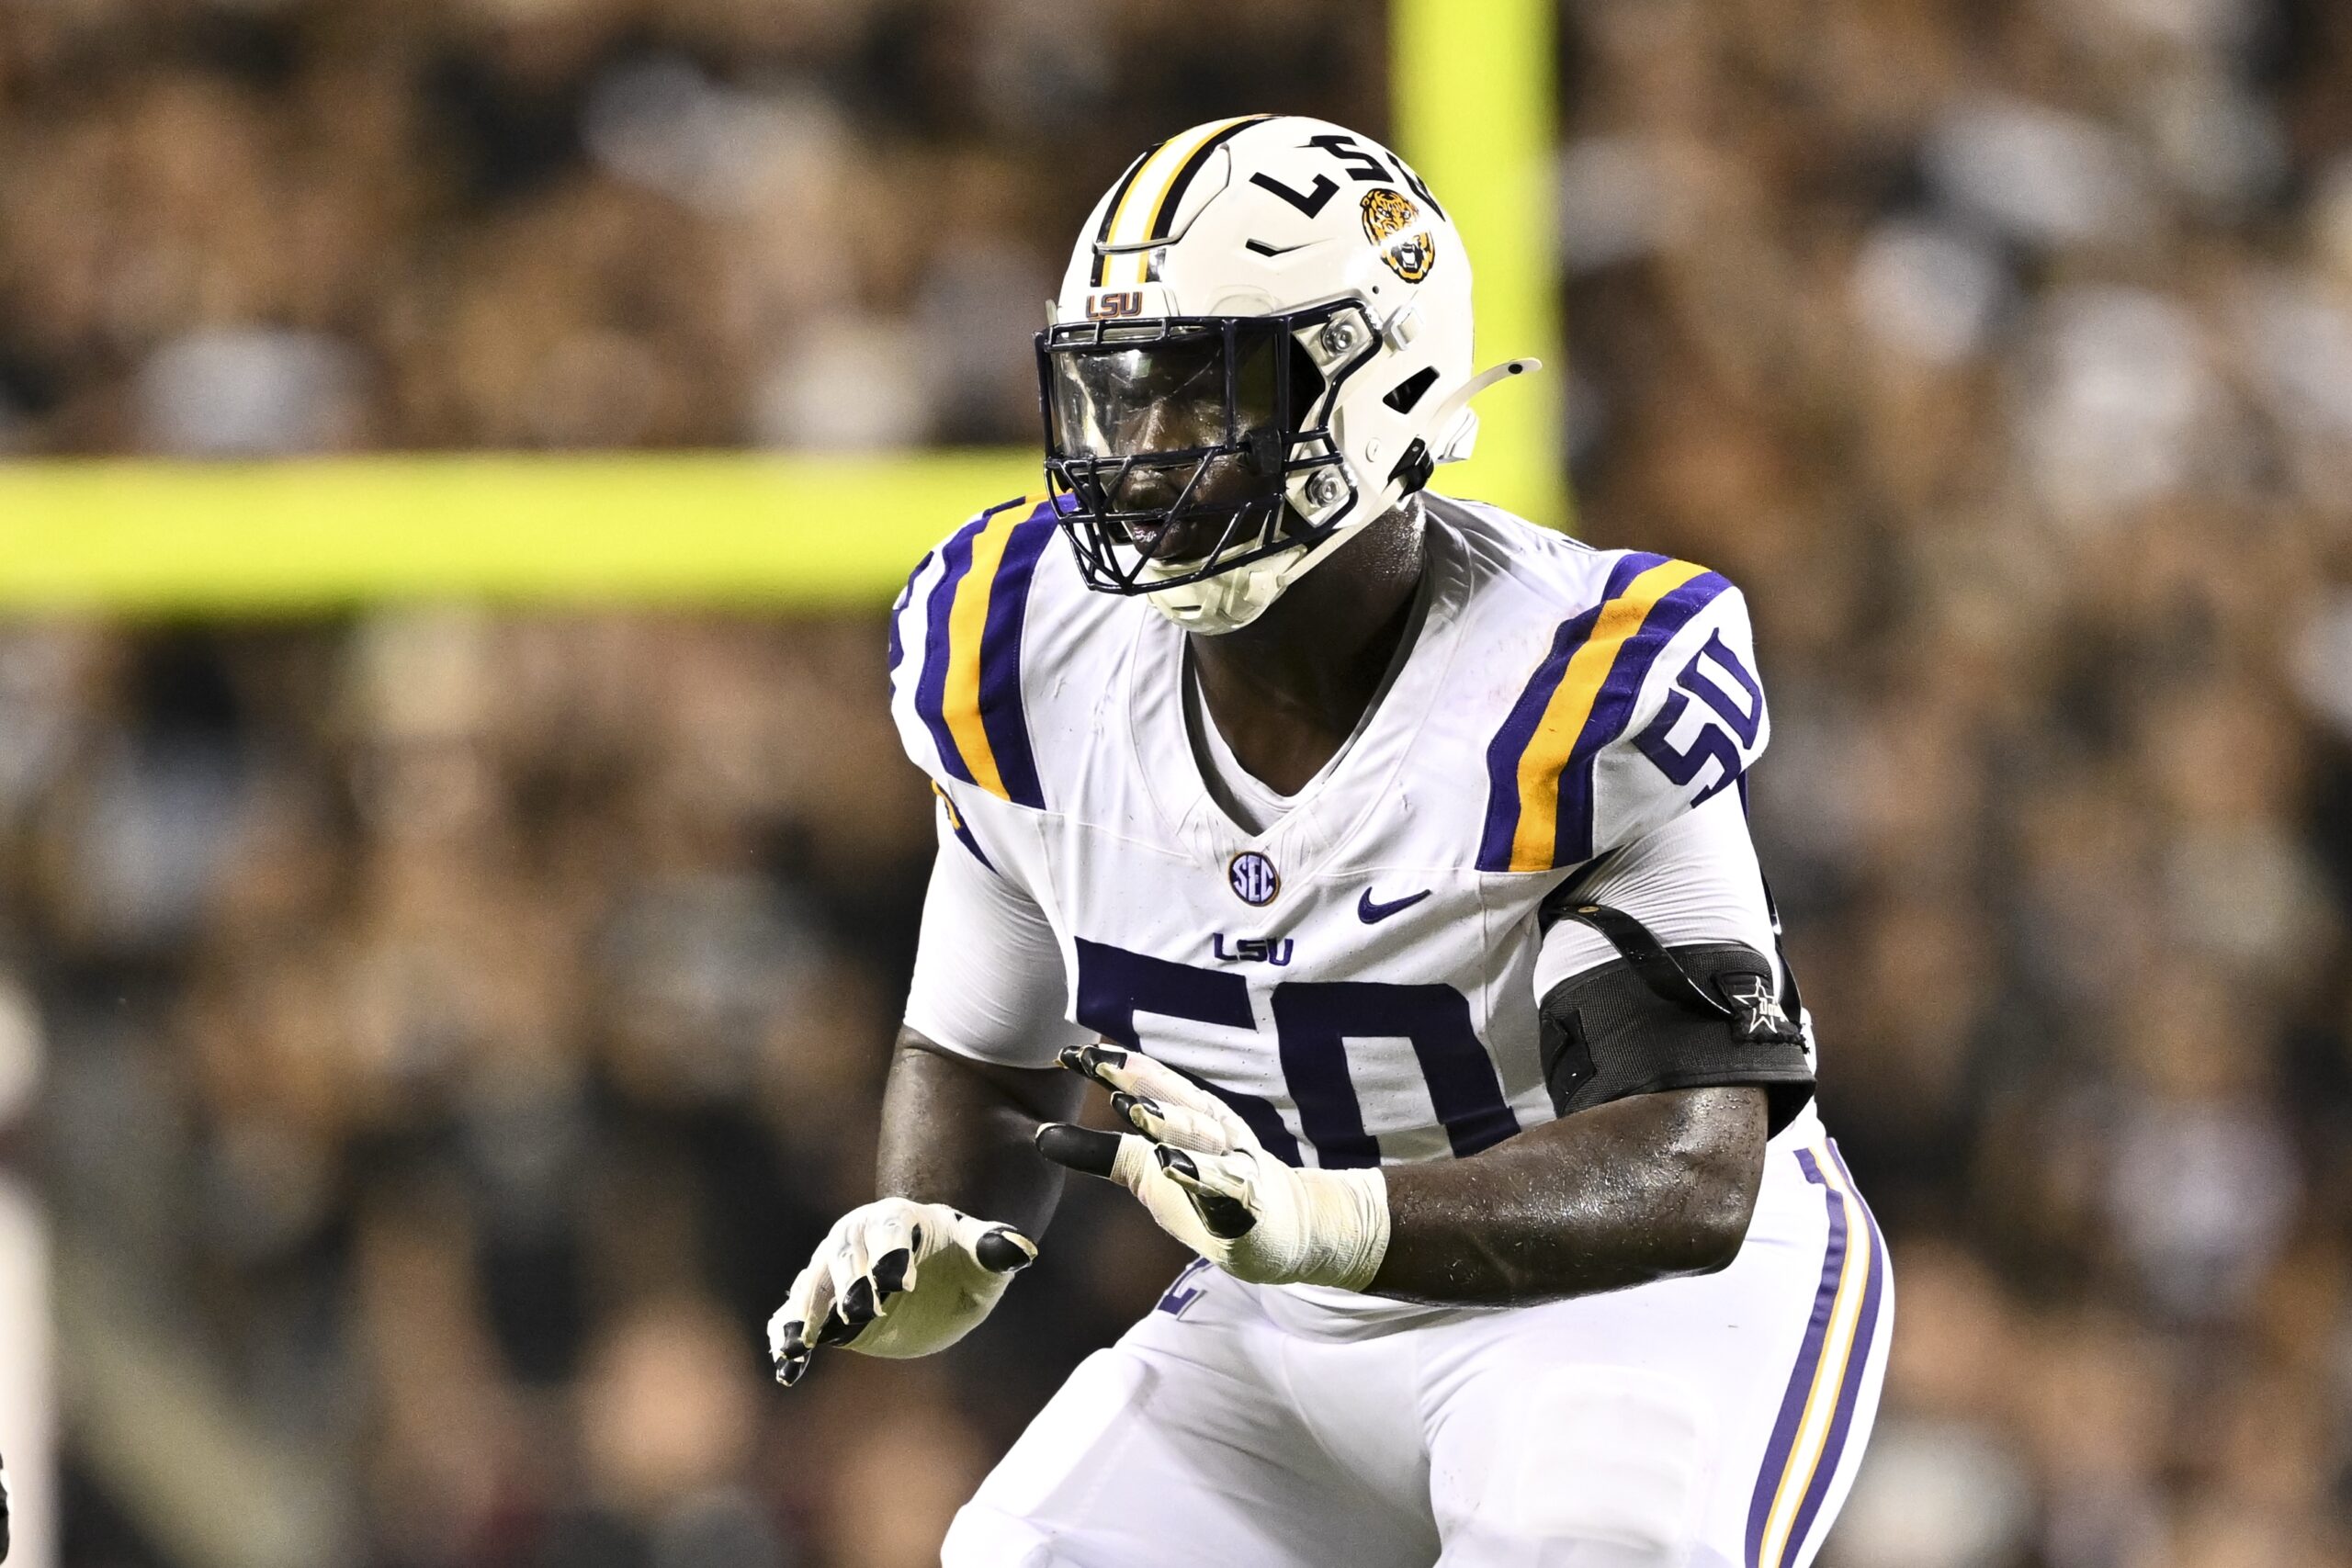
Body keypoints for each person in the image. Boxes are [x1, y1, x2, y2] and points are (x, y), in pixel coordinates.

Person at [770, 114, 1889, 1568]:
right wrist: (929, 1235)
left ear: (1381, 387)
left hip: (1633, 1309)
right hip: (1289, 1319)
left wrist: (1326, 1220)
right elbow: (980, 1054)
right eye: (1115, 397)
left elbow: (1689, 1164)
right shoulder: (1021, 647)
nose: (1138, 453)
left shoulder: (1570, 683)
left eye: (1200, 396)